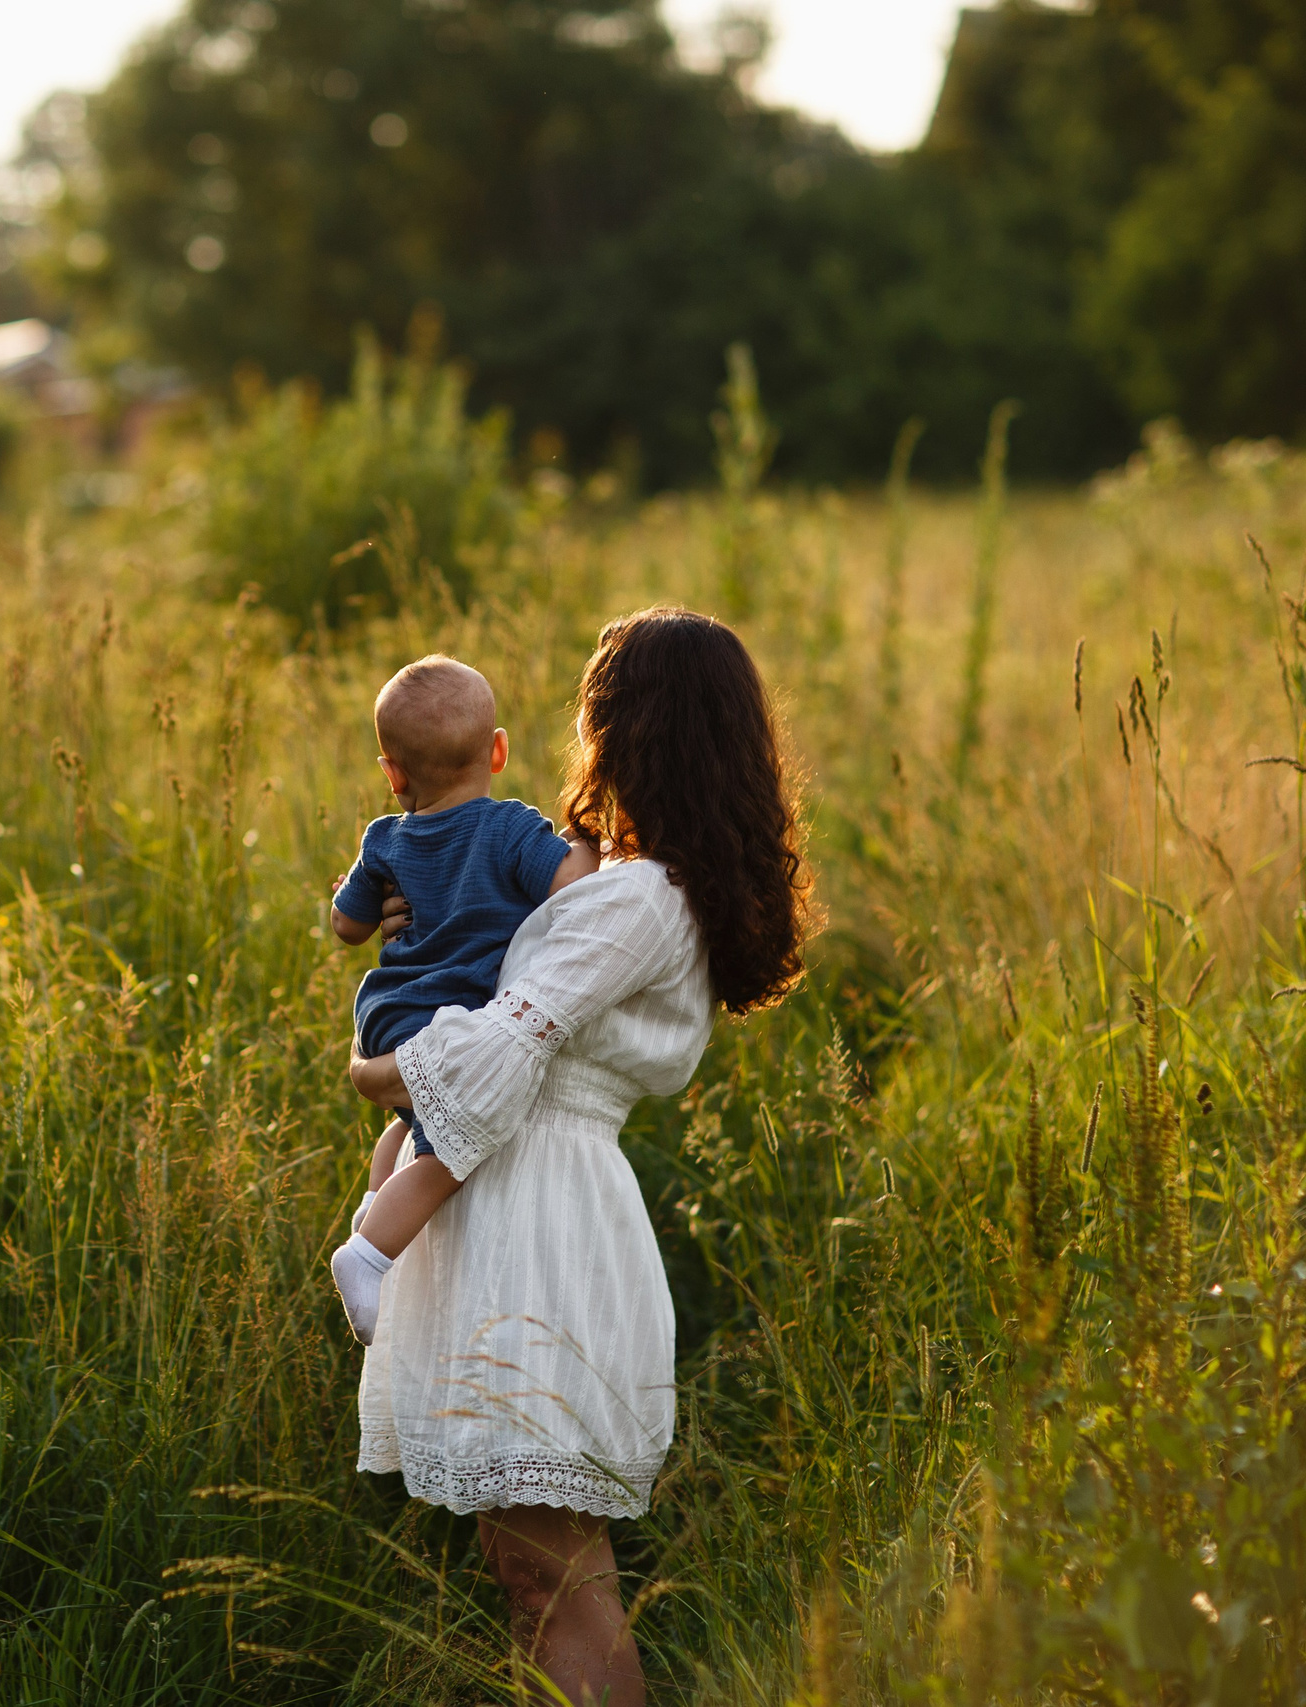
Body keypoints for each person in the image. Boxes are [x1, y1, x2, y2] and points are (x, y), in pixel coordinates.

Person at [345, 607, 812, 1705]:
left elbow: (509, 1038)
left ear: (631, 728)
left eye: (595, 714)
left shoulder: (640, 902)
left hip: (540, 1220)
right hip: (519, 1202)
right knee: (530, 1571)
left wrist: (372, 1072)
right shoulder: (627, 881)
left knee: (555, 1580)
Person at [324, 655, 597, 1344]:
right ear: (497, 749)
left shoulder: (382, 837)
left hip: (383, 1010)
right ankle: (368, 1254)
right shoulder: (510, 828)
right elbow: (571, 885)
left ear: (393, 773)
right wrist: (588, 839)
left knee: (407, 1121)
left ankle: (372, 1205)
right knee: (449, 1147)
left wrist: (356, 892)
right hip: (442, 1017)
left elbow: (347, 925)